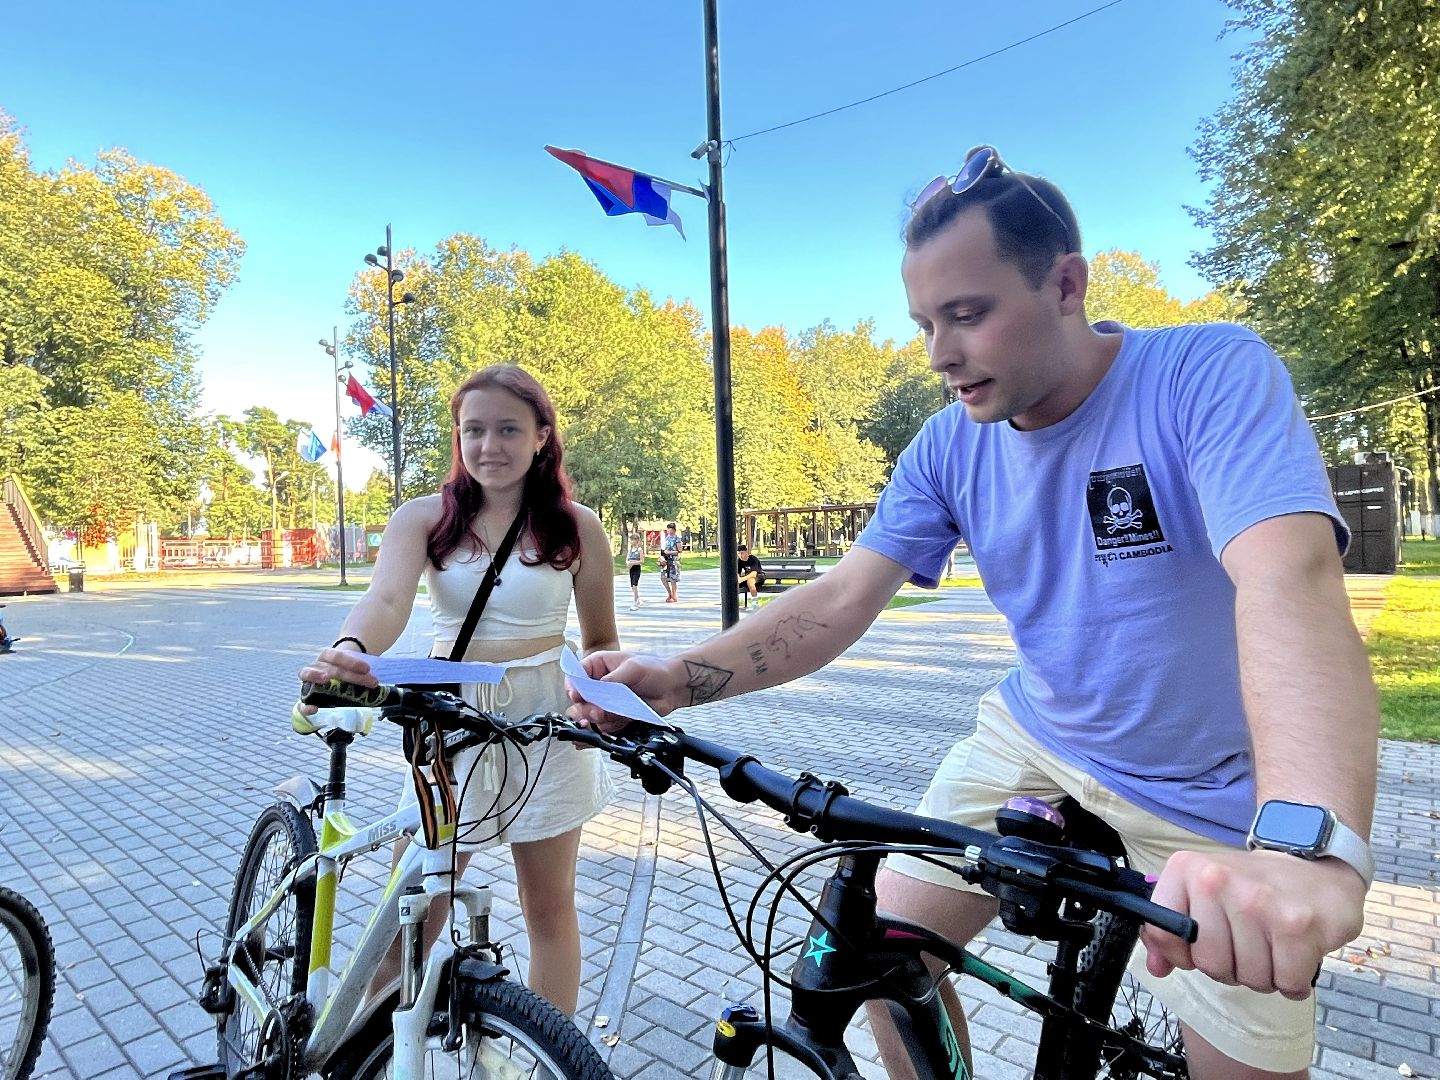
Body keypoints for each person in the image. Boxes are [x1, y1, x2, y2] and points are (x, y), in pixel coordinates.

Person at [571, 146, 1378, 1079]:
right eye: (924, 323)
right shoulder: (949, 444)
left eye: (968, 314)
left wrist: (1304, 846)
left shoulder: (1206, 373)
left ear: (1066, 283)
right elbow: (840, 598)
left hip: (1214, 792)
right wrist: (672, 680)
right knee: (871, 959)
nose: (939, 354)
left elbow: (1292, 583)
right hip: (1036, 742)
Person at [299, 363, 618, 1016]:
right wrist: (352, 650)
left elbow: (602, 641)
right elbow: (386, 600)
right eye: (473, 429)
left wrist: (611, 685)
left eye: (507, 428)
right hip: (451, 723)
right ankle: (370, 1048)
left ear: (541, 437)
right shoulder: (423, 519)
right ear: (458, 436)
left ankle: (552, 1061)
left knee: (549, 907)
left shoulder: (578, 527)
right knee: (413, 908)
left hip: (546, 727)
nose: (488, 445)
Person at [736, 543, 766, 608]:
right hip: (747, 577)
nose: (740, 555)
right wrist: (738, 578)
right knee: (734, 583)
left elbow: (754, 573)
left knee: (750, 581)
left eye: (742, 553)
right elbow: (738, 572)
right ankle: (733, 601)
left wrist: (742, 579)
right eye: (738, 553)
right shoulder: (739, 561)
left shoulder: (753, 559)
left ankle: (755, 602)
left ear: (746, 552)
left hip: (759, 576)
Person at [658, 522, 682, 603]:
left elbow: (679, 550)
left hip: (673, 560)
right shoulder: (666, 538)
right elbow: (663, 549)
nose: (668, 530)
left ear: (673, 529)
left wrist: (669, 552)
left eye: (669, 528)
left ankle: (674, 595)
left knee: (672, 578)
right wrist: (662, 556)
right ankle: (669, 593)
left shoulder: (677, 538)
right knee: (663, 577)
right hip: (666, 560)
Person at [626, 532, 645, 610]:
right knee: (632, 586)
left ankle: (635, 602)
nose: (631, 541)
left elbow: (642, 561)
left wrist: (633, 563)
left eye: (633, 540)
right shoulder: (630, 550)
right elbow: (627, 559)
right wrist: (628, 563)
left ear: (637, 541)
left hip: (636, 568)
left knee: (635, 585)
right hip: (631, 569)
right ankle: (638, 599)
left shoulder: (639, 550)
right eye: (631, 540)